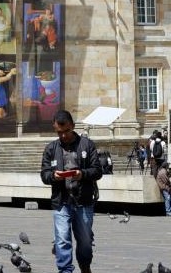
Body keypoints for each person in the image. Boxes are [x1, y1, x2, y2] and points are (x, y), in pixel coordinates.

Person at [40, 110, 102, 273]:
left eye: (66, 131)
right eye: (59, 132)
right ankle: (65, 270)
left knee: (85, 241)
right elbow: (44, 174)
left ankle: (85, 265)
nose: (63, 136)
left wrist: (82, 174)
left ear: (73, 126)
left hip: (84, 201)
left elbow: (97, 171)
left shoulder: (87, 145)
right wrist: (54, 176)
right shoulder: (51, 148)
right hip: (61, 202)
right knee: (62, 240)